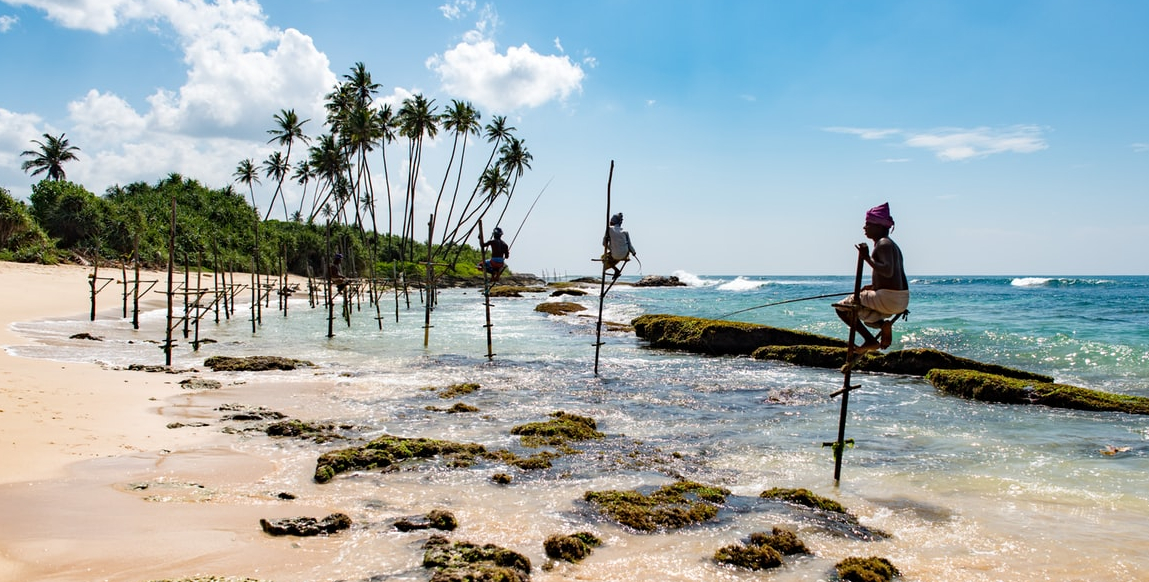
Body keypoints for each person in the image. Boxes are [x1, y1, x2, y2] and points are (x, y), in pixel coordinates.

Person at [833, 202, 909, 353]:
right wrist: (874, 286)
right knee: (866, 317)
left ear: (879, 226)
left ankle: (870, 341)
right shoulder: (892, 245)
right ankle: (883, 325)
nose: (864, 227)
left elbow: (887, 271)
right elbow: (895, 276)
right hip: (900, 300)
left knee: (842, 308)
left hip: (888, 299)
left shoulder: (883, 243)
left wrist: (866, 258)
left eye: (868, 224)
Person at [602, 212, 637, 279]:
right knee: (624, 250)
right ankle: (618, 268)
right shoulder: (625, 231)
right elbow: (629, 245)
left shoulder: (608, 229)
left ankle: (616, 270)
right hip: (625, 255)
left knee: (603, 258)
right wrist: (633, 252)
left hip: (614, 255)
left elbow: (604, 243)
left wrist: (612, 249)